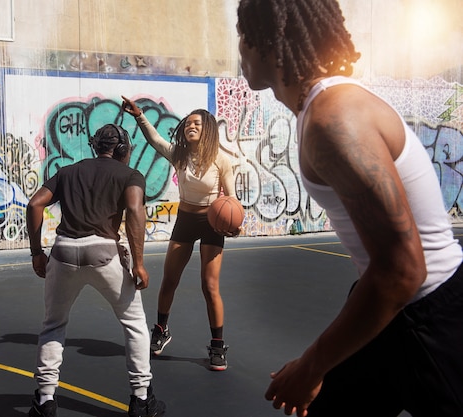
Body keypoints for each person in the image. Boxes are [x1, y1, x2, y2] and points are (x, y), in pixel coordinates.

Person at [236, 0, 463, 416]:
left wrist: (310, 367)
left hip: (430, 316)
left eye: (244, 32)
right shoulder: (319, 110)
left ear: (269, 40)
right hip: (391, 306)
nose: (240, 45)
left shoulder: (334, 121)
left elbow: (402, 271)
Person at [25, 123, 166, 417]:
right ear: (124, 149)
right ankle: (141, 399)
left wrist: (37, 253)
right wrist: (138, 263)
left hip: (63, 252)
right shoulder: (130, 174)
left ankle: (45, 400)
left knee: (53, 325)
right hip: (104, 253)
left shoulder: (68, 171)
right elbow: (135, 211)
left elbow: (35, 203)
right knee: (135, 324)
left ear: (95, 147)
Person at [121, 96, 238, 371]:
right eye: (188, 123)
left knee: (209, 286)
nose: (190, 126)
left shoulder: (223, 160)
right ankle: (161, 329)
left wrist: (234, 223)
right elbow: (155, 140)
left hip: (211, 222)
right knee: (169, 279)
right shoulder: (179, 154)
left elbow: (232, 199)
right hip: (185, 219)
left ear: (207, 129)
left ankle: (218, 345)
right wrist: (139, 115)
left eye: (197, 123)